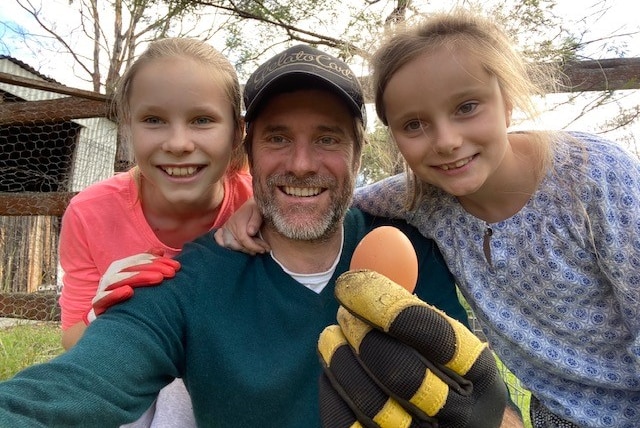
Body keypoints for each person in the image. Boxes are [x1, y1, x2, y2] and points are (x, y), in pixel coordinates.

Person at [0, 44, 509, 427]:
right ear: (250, 152)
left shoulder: (409, 250)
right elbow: (75, 386)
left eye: (327, 138)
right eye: (278, 138)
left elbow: (488, 403)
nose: (302, 164)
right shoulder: (188, 278)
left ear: (358, 152)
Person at [352, 9, 640, 428]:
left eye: (467, 107)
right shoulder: (420, 198)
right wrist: (249, 205)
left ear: (507, 101)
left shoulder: (593, 176)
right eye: (414, 124)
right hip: (554, 416)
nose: (447, 141)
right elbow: (338, 201)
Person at [57, 38, 253, 427]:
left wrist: (261, 205)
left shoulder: (258, 202)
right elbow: (73, 339)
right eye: (153, 120)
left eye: (202, 120)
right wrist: (106, 314)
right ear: (128, 127)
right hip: (131, 379)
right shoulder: (89, 213)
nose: (178, 143)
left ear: (236, 133)